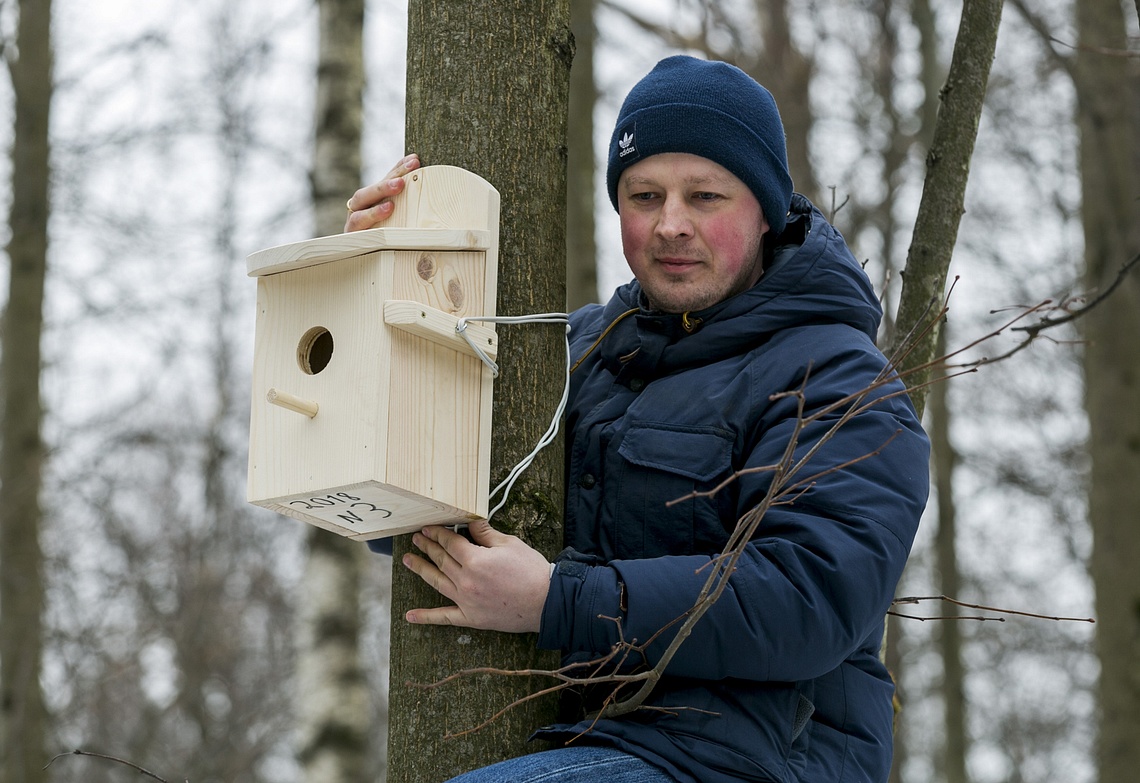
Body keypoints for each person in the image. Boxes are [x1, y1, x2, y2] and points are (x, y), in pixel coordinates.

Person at [347, 55, 930, 783]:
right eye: (644, 195)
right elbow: (421, 485)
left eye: (707, 195)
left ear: (767, 209)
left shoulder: (839, 378)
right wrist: (375, 275)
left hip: (746, 765)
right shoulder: (579, 351)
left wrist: (557, 601)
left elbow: (806, 599)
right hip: (587, 747)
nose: (671, 224)